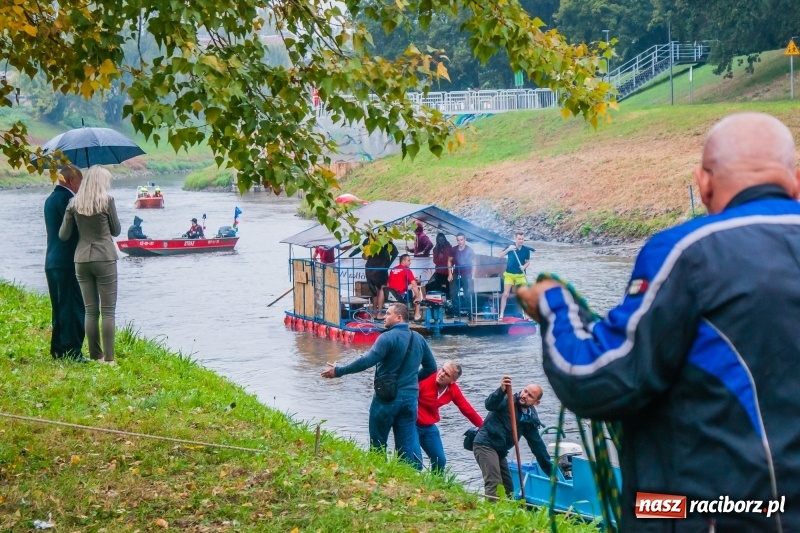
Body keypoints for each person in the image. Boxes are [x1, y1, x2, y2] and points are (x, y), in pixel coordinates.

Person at [518, 112, 800, 532]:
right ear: (794, 180)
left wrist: (554, 305)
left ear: (703, 182)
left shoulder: (689, 252)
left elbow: (595, 378)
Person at [321, 303, 437, 469]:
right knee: (405, 448)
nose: (384, 317)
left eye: (388, 314)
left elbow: (367, 361)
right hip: (410, 401)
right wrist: (411, 380)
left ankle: (378, 478)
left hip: (386, 400)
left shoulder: (387, 337)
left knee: (378, 445)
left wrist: (339, 371)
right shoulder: (419, 339)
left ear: (399, 318)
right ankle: (405, 486)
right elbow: (431, 368)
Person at [59, 165, 121, 364]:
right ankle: (109, 360)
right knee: (108, 310)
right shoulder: (107, 201)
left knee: (90, 310)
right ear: (101, 182)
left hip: (82, 258)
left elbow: (63, 235)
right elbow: (116, 230)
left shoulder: (73, 203)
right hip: (104, 257)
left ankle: (96, 356)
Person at [473, 376, 552, 499]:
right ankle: (491, 516)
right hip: (485, 444)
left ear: (536, 403)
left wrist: (550, 471)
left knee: (508, 489)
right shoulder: (507, 400)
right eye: (525, 391)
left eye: (530, 396)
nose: (524, 395)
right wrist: (501, 390)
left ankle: (508, 515)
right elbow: (490, 404)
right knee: (494, 483)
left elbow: (537, 445)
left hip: (500, 450)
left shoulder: (529, 417)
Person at [44, 165, 87, 362]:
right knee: (72, 305)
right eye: (80, 181)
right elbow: (74, 231)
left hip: (52, 260)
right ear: (71, 180)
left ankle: (58, 349)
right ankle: (73, 351)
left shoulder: (51, 199)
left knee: (59, 306)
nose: (81, 186)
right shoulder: (68, 200)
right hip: (67, 261)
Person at [415, 361, 483, 473]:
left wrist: (483, 426)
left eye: (446, 374)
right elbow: (406, 394)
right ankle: (413, 485)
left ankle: (436, 485)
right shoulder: (426, 378)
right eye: (442, 370)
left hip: (428, 426)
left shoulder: (453, 390)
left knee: (440, 460)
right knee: (416, 460)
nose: (441, 374)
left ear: (452, 381)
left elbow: (467, 409)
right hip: (411, 423)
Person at [497, 231, 532, 320]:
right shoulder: (510, 247)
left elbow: (528, 262)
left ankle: (526, 315)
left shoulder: (526, 250)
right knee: (505, 294)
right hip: (509, 275)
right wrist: (508, 249)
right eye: (519, 239)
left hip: (520, 275)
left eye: (522, 239)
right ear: (515, 239)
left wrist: (524, 267)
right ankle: (501, 314)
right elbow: (499, 256)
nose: (521, 241)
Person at [362, 237, 398, 316]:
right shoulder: (388, 244)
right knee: (382, 289)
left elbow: (364, 256)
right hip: (381, 269)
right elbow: (395, 253)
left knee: (374, 291)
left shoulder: (370, 242)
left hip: (369, 269)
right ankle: (379, 312)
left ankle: (374, 311)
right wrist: (387, 264)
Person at [386, 254, 423, 321]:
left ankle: (409, 312)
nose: (410, 262)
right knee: (418, 291)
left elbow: (388, 284)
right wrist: (417, 297)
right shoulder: (406, 270)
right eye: (408, 260)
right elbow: (414, 284)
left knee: (411, 287)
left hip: (391, 295)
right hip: (401, 295)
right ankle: (417, 315)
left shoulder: (393, 269)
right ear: (403, 261)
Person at [447, 233, 474, 317]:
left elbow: (474, 263)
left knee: (467, 293)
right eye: (458, 240)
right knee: (453, 292)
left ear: (465, 240)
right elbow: (449, 261)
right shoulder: (454, 249)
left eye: (461, 240)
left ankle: (470, 312)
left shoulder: (469, 250)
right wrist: (450, 273)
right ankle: (456, 311)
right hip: (456, 272)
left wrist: (472, 276)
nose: (460, 242)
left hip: (466, 273)